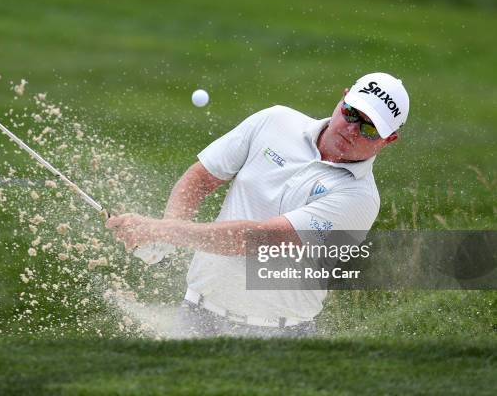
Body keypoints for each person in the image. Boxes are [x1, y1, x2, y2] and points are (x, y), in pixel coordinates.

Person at [106, 72, 410, 338]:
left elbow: (261, 238)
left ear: (389, 139)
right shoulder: (275, 121)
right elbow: (201, 179)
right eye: (351, 113)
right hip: (196, 312)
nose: (352, 129)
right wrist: (166, 236)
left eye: (370, 128)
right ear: (343, 98)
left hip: (276, 336)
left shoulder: (359, 198)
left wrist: (163, 230)